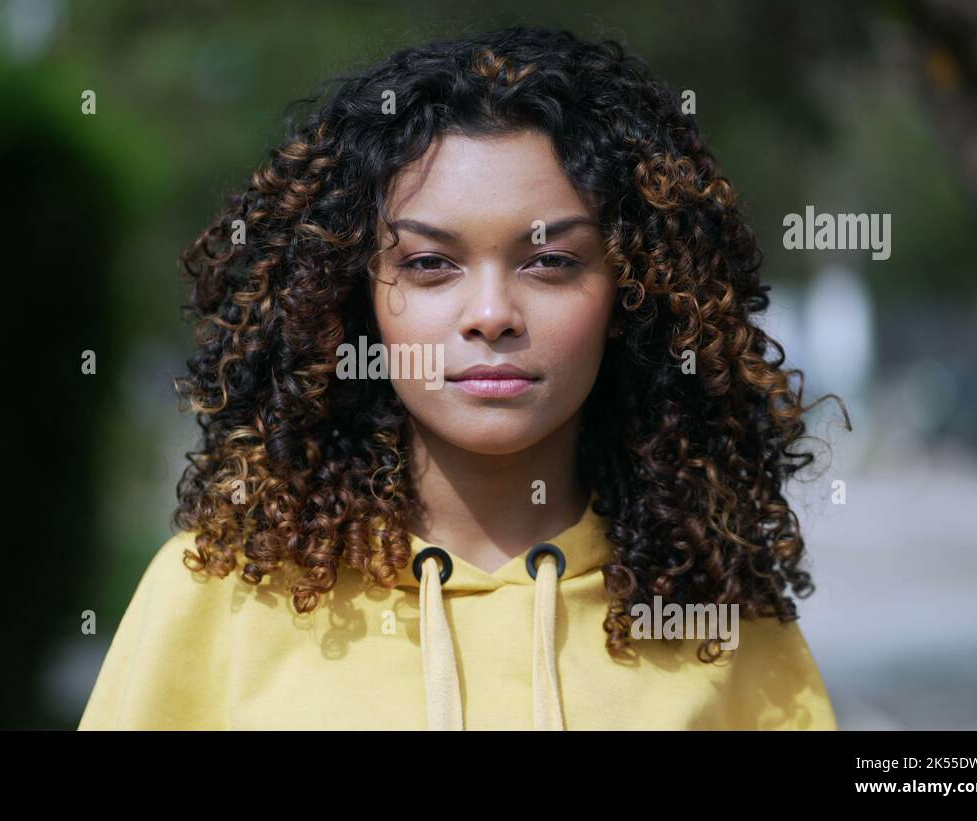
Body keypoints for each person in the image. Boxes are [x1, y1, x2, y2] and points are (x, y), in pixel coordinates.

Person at [79, 25, 847, 730]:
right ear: (355, 297)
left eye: (550, 262)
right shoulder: (215, 597)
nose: (491, 313)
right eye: (429, 264)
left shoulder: (718, 621)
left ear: (632, 293)